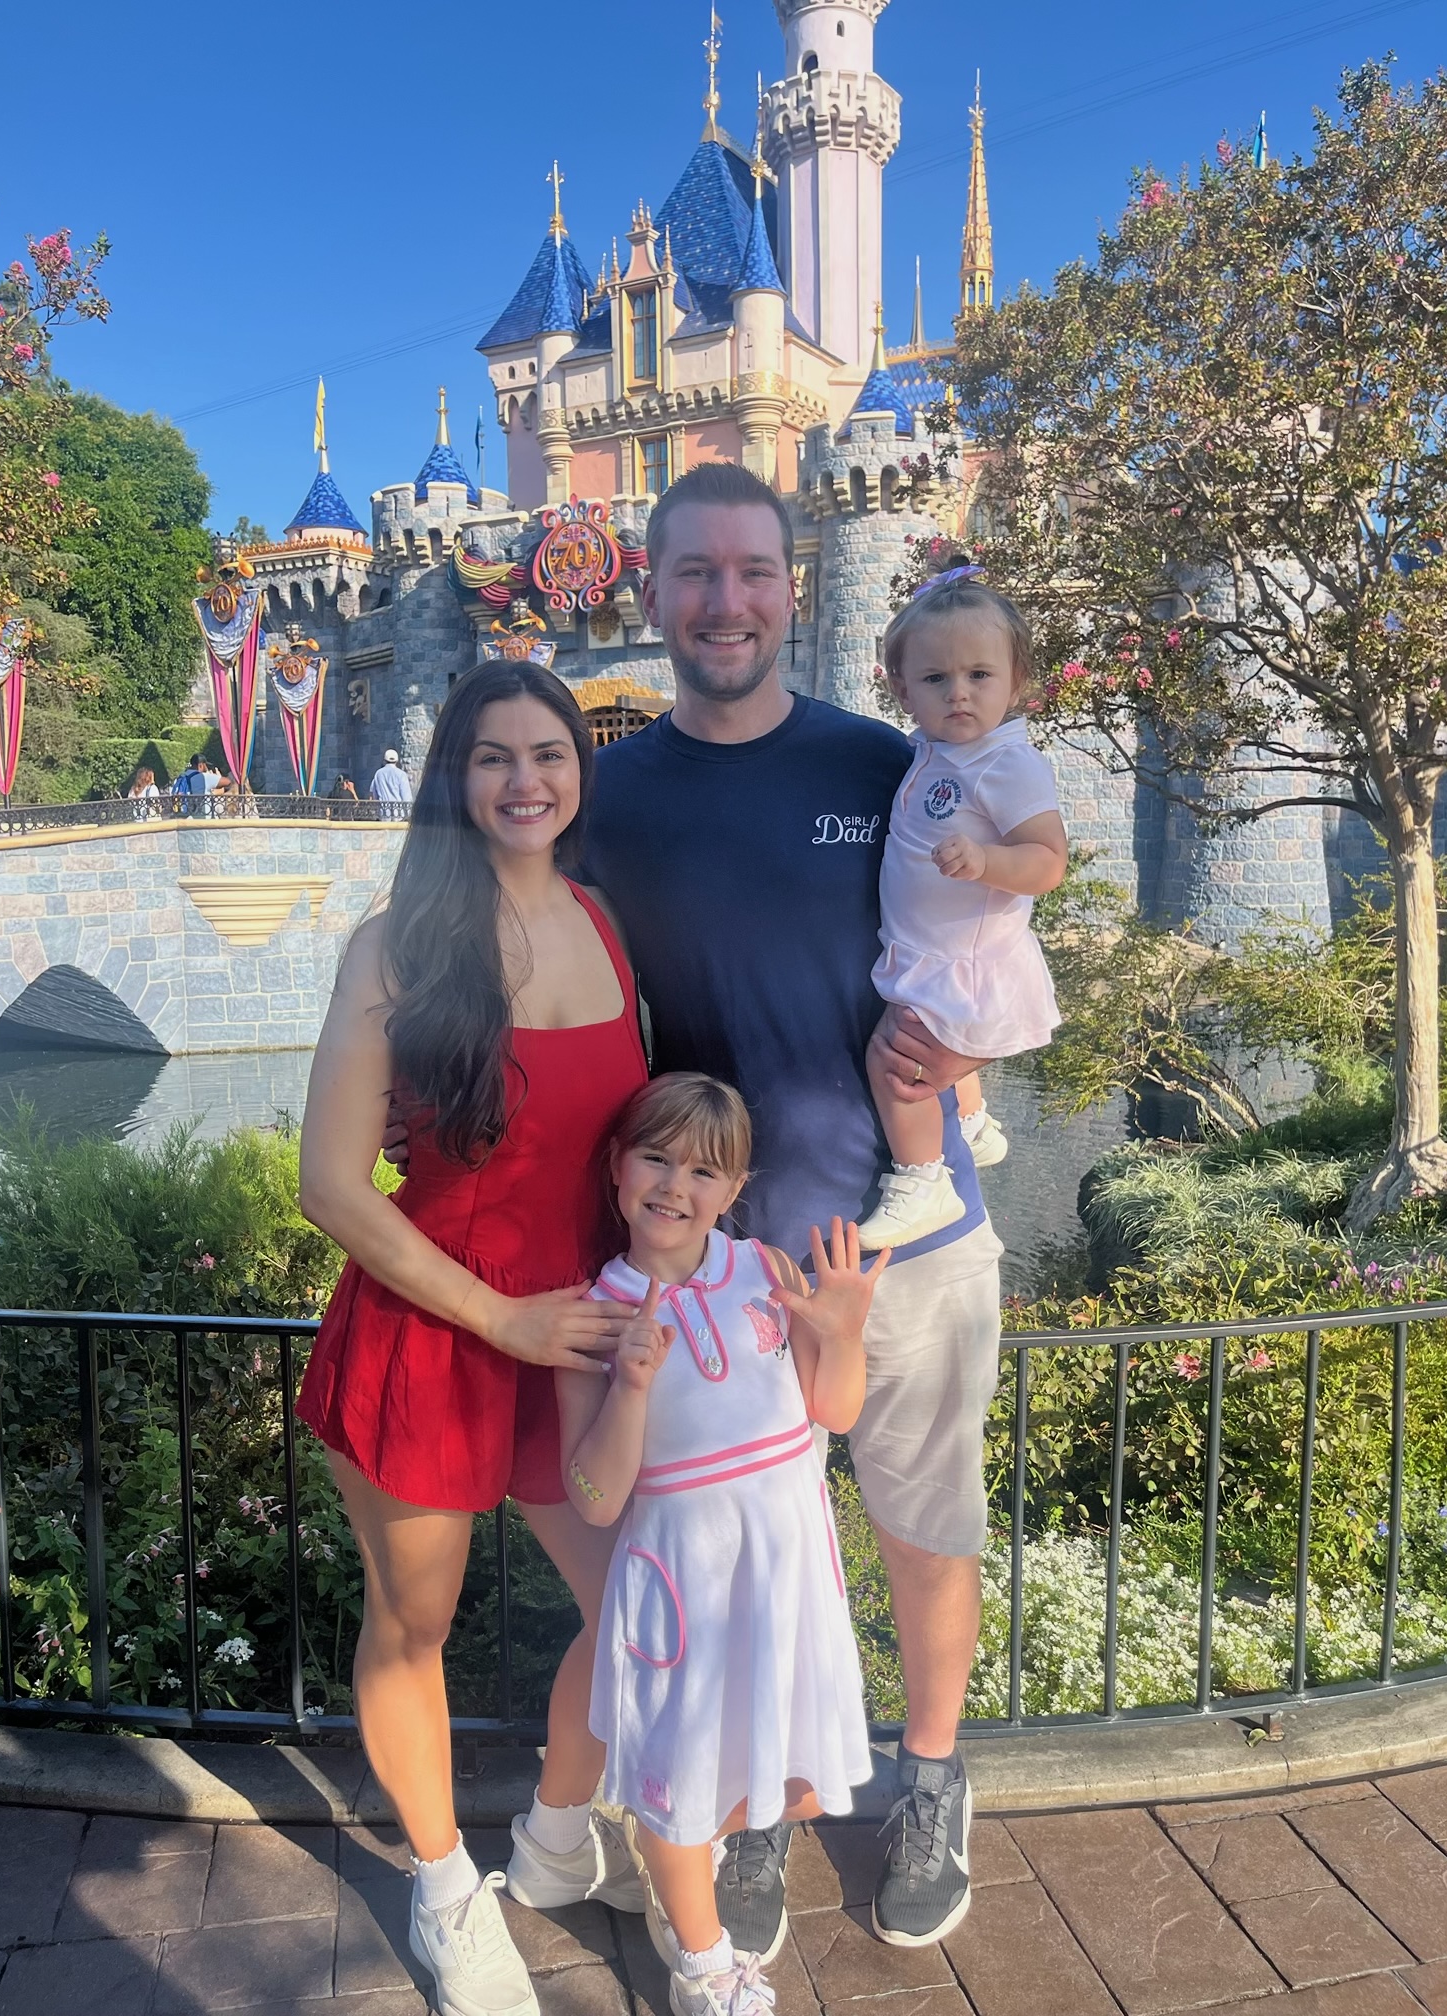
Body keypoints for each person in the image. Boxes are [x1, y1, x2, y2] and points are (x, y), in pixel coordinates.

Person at [389, 466, 1010, 1952]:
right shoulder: (616, 798)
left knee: (921, 1523)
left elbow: (988, 924)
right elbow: (539, 962)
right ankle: (742, 1809)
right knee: (731, 1561)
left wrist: (977, 1057)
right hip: (710, 1266)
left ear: (794, 584)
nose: (725, 603)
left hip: (899, 1226)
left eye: (753, 572)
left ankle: (927, 1778)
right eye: (695, 575)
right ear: (652, 591)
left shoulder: (884, 765)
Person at [296, 660, 651, 2016]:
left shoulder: (605, 926)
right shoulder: (395, 945)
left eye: (547, 753)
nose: (523, 780)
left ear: (578, 771)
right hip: (440, 1323)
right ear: (454, 778)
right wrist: (499, 1313)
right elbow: (332, 1183)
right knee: (415, 1619)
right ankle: (445, 1887)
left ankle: (555, 1840)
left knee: (639, 1607)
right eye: (492, 756)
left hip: (579, 1332)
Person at [559, 1073, 884, 2016]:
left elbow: (835, 1408)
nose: (675, 1186)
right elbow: (592, 1496)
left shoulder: (768, 1272)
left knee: (785, 1774)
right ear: (619, 1169)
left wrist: (846, 1329)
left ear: (735, 1189)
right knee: (683, 1778)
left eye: (705, 1169)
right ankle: (703, 1962)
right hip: (685, 1580)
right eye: (656, 1157)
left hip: (785, 1571)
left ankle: (677, 1861)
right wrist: (629, 1388)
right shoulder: (598, 1314)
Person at [855, 579, 1068, 1250]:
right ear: (901, 687)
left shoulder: (1007, 763)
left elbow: (1047, 860)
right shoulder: (938, 750)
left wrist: (984, 861)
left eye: (979, 674)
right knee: (917, 1049)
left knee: (895, 1060)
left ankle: (924, 1180)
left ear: (1017, 679)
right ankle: (972, 1123)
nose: (959, 693)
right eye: (936, 677)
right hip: (933, 947)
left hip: (963, 961)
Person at [371, 747, 414, 816]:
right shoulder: (401, 774)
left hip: (384, 813)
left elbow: (375, 794)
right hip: (399, 813)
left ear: (385, 760)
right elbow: (406, 796)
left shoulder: (378, 774)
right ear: (397, 760)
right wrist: (409, 814)